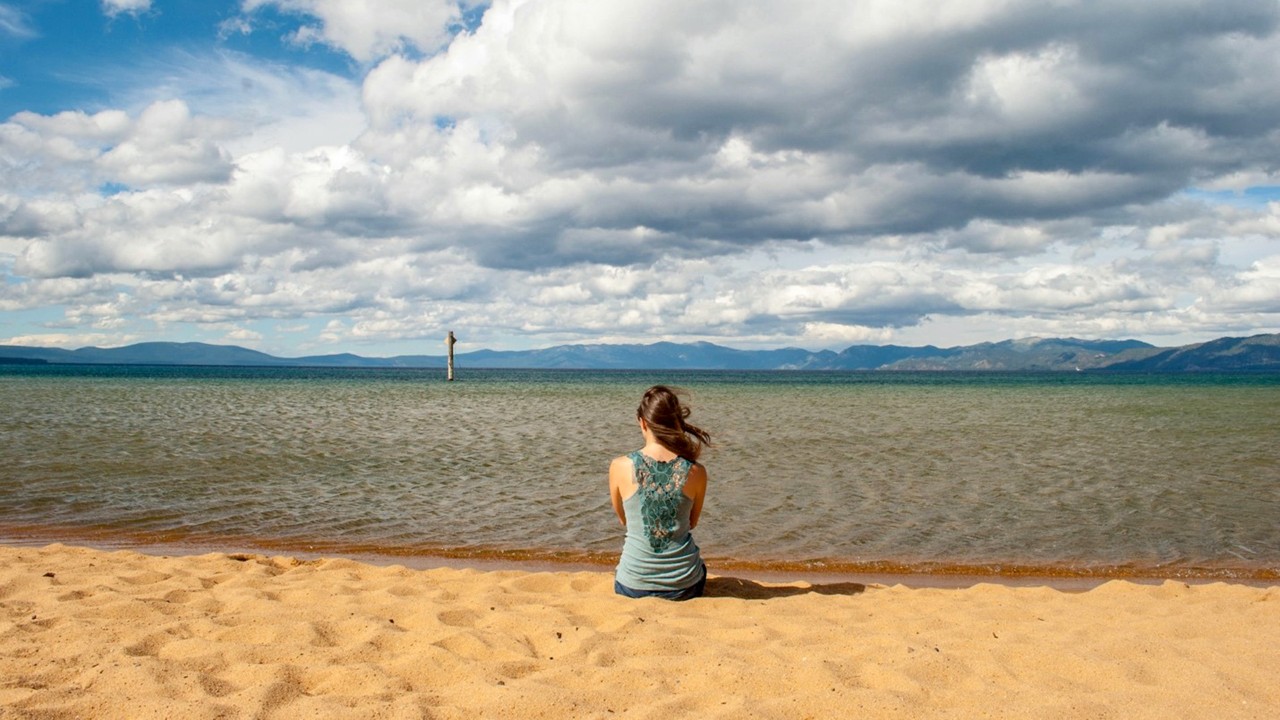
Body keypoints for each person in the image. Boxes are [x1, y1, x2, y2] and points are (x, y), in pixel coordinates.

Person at [610, 385, 711, 600]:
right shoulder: (696, 471)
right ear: (677, 423)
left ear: (643, 423)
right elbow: (692, 523)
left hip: (632, 585)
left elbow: (624, 520)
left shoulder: (619, 466)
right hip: (684, 585)